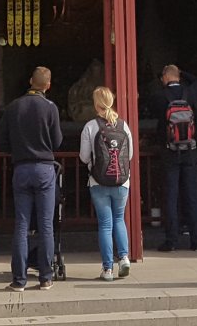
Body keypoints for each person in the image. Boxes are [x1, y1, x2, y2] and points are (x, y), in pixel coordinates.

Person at [0, 67, 62, 290]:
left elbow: (0, 140)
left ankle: (19, 280)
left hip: (21, 168)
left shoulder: (14, 107)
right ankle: (45, 277)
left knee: (21, 225)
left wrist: (16, 150)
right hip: (44, 169)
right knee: (46, 225)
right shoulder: (50, 108)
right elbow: (57, 141)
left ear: (31, 81)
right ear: (48, 86)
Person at [78, 86, 133, 281]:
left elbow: (84, 158)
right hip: (122, 182)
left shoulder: (91, 127)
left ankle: (108, 269)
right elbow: (130, 155)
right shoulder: (123, 126)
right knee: (119, 219)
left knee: (105, 224)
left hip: (98, 181)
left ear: (95, 104)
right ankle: (124, 257)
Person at [156, 64, 197, 251]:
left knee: (171, 196)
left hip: (169, 152)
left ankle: (172, 241)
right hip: (190, 151)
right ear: (178, 76)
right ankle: (196, 240)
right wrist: (184, 73)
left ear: (165, 77)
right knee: (192, 196)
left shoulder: (159, 96)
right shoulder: (190, 93)